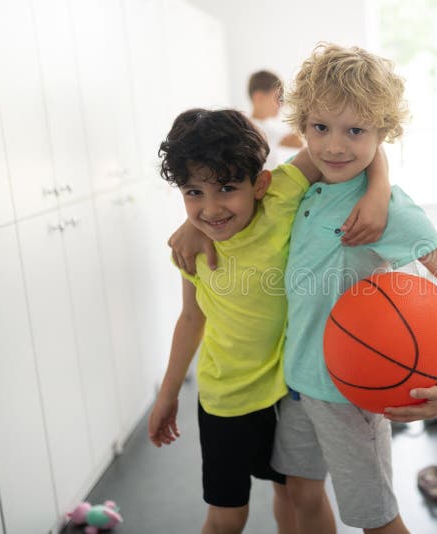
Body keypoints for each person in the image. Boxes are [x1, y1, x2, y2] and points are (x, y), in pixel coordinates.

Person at [171, 43, 437, 534]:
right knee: (300, 493)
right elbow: (218, 197)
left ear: (382, 133)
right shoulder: (300, 187)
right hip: (298, 385)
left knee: (375, 519)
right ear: (302, 126)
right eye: (320, 128)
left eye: (356, 131)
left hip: (353, 394)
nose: (335, 146)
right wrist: (194, 224)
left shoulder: (390, 211)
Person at [149, 108, 390, 534]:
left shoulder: (280, 197)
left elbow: (355, 149)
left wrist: (378, 193)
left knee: (296, 496)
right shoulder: (191, 249)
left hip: (287, 392)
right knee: (227, 517)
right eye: (193, 192)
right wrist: (167, 395)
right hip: (226, 401)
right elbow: (190, 318)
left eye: (226, 188)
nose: (211, 208)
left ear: (259, 184)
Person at [248, 70, 303, 168]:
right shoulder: (254, 129)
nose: (281, 104)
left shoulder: (268, 128)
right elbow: (298, 142)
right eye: (278, 98)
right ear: (259, 97)